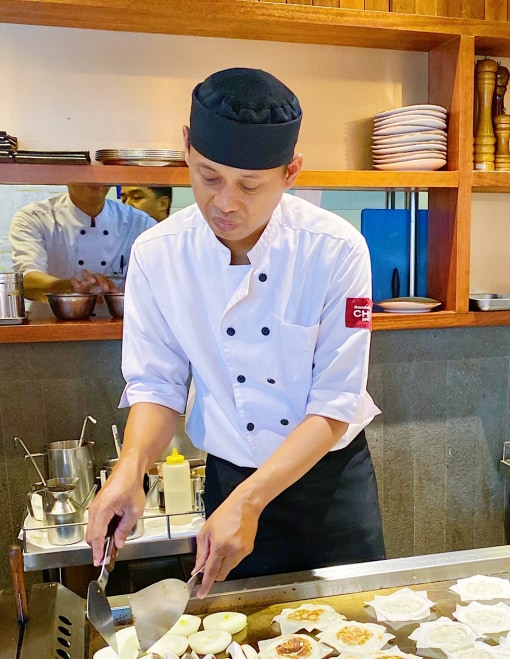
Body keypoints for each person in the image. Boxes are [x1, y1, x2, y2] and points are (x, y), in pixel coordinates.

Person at [86, 67, 385, 597]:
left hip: (329, 488)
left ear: (291, 172)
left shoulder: (337, 249)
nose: (225, 202)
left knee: (356, 627)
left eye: (249, 185)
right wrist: (131, 468)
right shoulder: (157, 255)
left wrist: (252, 501)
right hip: (229, 479)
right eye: (208, 177)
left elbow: (336, 402)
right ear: (186, 147)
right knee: (239, 638)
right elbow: (157, 386)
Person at [10, 183, 155, 304]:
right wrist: (71, 288)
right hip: (51, 324)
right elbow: (27, 282)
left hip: (119, 326)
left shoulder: (140, 222)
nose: (95, 179)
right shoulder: (35, 218)